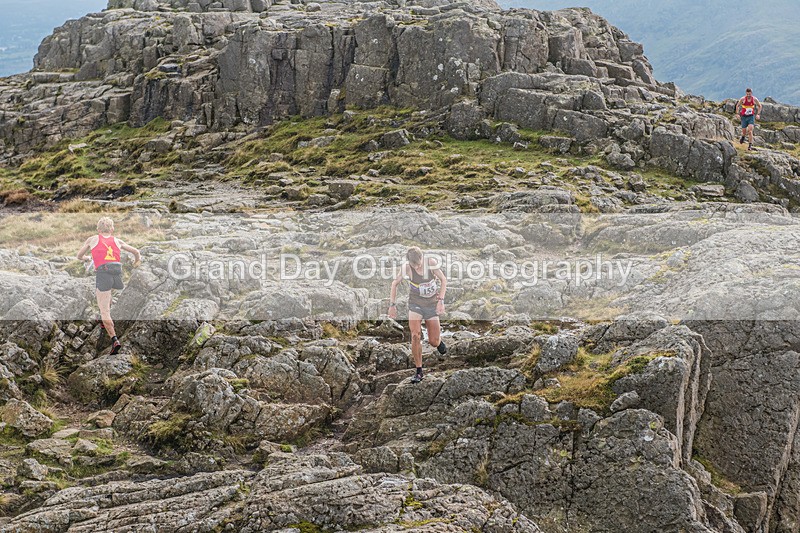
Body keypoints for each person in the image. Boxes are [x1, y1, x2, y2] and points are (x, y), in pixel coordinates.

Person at [76, 217, 141, 355]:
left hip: (103, 274)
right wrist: (136, 262)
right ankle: (103, 319)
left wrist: (88, 258)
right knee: (107, 295)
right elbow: (136, 252)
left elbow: (79, 256)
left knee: (104, 310)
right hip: (116, 274)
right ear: (112, 229)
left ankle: (114, 339)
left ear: (98, 229)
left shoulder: (92, 239)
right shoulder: (118, 241)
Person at [388, 246, 447, 383]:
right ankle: (419, 371)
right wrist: (392, 305)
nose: (418, 266)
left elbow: (443, 280)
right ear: (409, 262)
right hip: (415, 304)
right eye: (415, 265)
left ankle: (438, 343)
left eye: (419, 263)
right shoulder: (406, 268)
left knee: (433, 341)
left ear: (422, 258)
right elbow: (394, 284)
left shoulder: (430, 263)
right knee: (415, 335)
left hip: (431, 304)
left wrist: (441, 301)